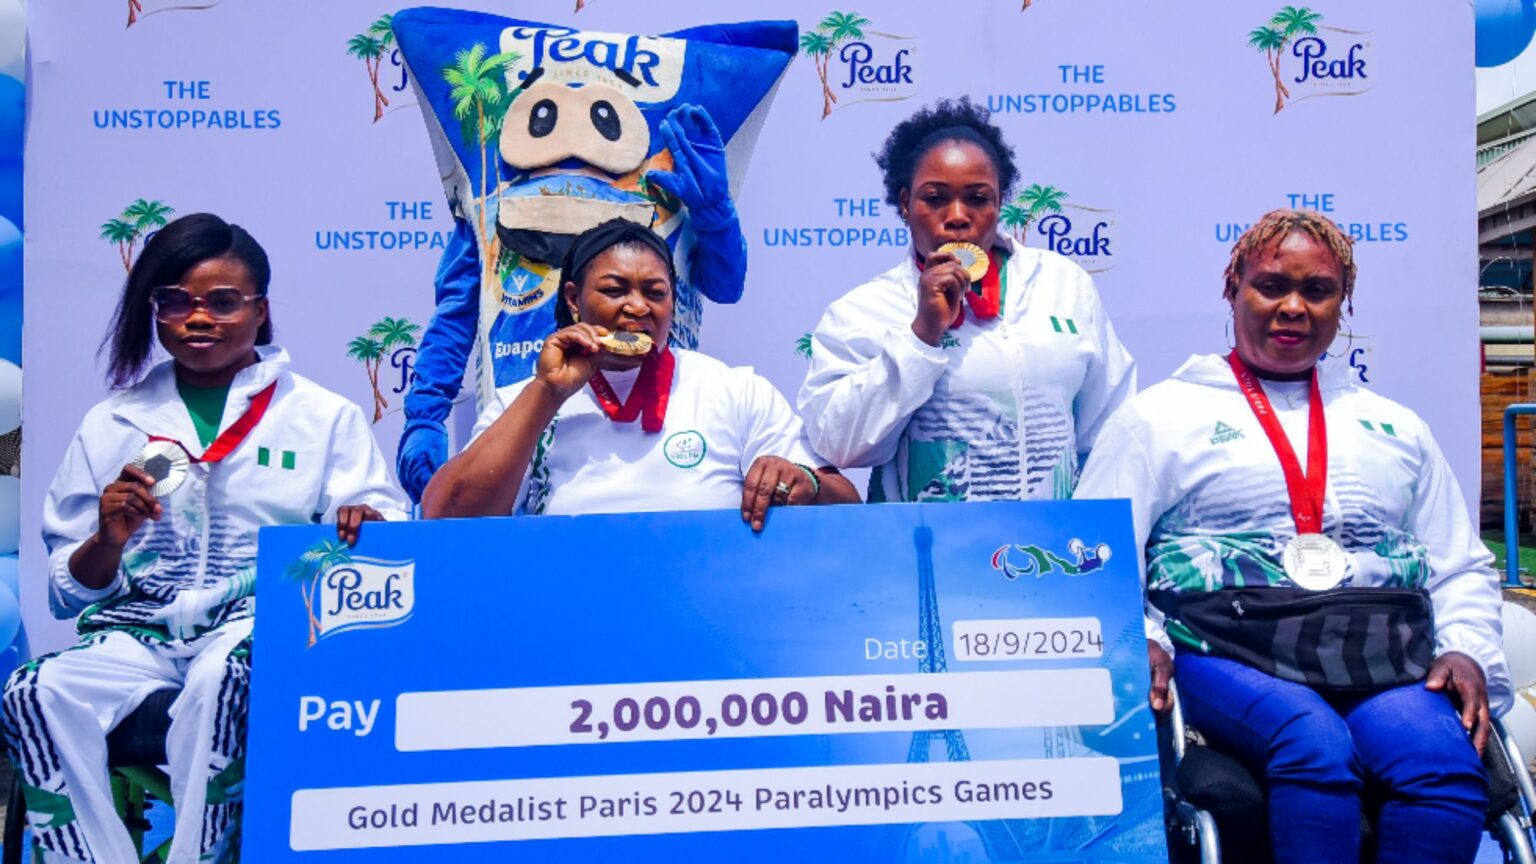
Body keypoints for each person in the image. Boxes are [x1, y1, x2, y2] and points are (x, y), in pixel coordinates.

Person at [1074, 209, 1507, 863]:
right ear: (1233, 290)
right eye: (1272, 286)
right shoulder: (1158, 419)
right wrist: (1143, 639)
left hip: (1378, 660)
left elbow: (1458, 564)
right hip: (1227, 652)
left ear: (1343, 304)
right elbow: (1095, 557)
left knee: (1442, 767)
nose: (1293, 308)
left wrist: (1467, 648)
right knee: (1313, 742)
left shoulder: (1394, 427)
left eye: (1318, 290)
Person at [3, 214, 409, 864]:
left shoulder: (321, 416)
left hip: (257, 628)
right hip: (136, 636)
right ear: (154, 309)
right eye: (175, 301)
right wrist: (107, 538)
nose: (198, 318)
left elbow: (381, 532)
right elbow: (67, 592)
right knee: (33, 690)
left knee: (222, 678)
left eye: (222, 302)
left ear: (260, 311)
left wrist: (366, 527)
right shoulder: (115, 421)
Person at [798, 97, 1134, 506]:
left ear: (1000, 202)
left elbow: (1110, 429)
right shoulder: (865, 309)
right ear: (905, 203)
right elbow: (837, 443)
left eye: (977, 198)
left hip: (1050, 541)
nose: (957, 215)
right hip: (924, 543)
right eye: (935, 198)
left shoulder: (1063, 284)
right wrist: (921, 337)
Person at [422, 218, 858, 523]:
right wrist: (547, 393)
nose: (638, 306)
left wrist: (804, 482)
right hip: (566, 605)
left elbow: (847, 506)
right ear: (573, 299)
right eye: (615, 290)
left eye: (655, 292)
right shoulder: (527, 399)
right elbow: (445, 517)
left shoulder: (733, 390)